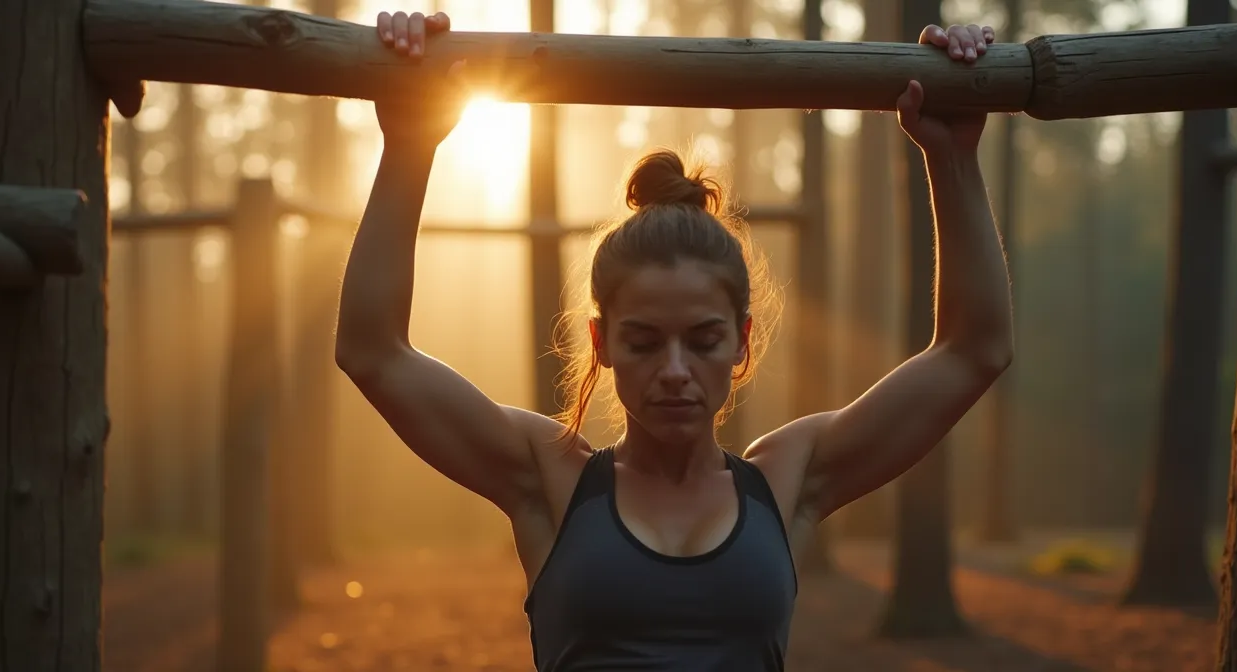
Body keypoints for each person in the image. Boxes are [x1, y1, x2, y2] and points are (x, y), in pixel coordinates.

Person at [335, 11, 1012, 672]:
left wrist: (953, 160)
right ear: (600, 343)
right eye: (643, 342)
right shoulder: (549, 476)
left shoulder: (789, 478)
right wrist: (410, 143)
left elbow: (973, 350)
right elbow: (373, 352)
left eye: (704, 339)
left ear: (743, 341)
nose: (675, 371)